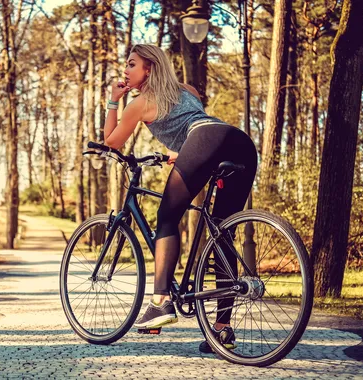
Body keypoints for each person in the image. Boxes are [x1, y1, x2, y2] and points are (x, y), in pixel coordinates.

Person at [102, 44, 258, 353]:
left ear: (149, 70)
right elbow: (192, 118)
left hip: (205, 141)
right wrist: (183, 153)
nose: (125, 70)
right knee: (222, 232)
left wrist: (113, 100)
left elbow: (112, 143)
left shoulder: (140, 102)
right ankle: (222, 329)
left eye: (132, 64)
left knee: (167, 217)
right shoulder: (184, 89)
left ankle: (160, 302)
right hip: (238, 141)